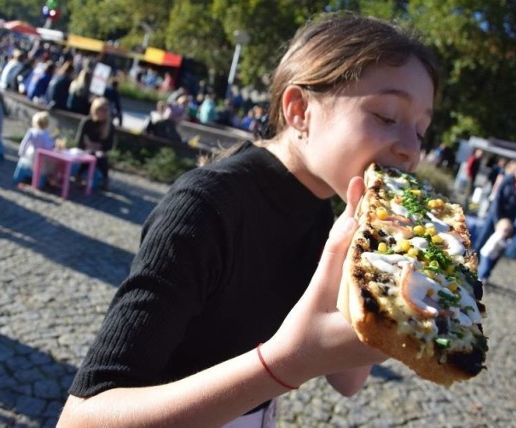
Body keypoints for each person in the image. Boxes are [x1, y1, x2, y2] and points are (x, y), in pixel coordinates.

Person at [57, 12, 438, 427]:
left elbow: (347, 380)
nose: (410, 151)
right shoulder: (205, 206)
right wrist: (283, 365)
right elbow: (82, 418)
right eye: (386, 116)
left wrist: (384, 285)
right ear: (299, 110)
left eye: (420, 131)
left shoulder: (326, 217)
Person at [473, 159, 516, 255]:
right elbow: (497, 199)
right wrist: (497, 221)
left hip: (509, 220)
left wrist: (513, 228)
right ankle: (472, 259)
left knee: (497, 248)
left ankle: (486, 267)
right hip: (495, 214)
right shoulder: (508, 180)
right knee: (482, 239)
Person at [74, 97, 115, 190]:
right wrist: (90, 146)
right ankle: (79, 175)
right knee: (90, 154)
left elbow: (109, 145)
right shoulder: (87, 122)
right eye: (101, 110)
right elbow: (79, 141)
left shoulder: (109, 126)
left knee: (101, 157)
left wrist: (97, 146)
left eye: (105, 110)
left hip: (100, 151)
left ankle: (105, 179)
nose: (103, 112)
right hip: (86, 149)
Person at [13, 111, 58, 186]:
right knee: (53, 164)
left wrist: (21, 153)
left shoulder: (31, 131)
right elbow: (48, 146)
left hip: (30, 156)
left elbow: (24, 143)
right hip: (41, 159)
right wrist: (53, 143)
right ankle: (45, 180)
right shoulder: (45, 134)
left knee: (23, 164)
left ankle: (23, 177)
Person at [478, 218, 513, 286]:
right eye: (505, 230)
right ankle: (478, 278)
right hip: (486, 254)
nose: (506, 233)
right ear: (498, 228)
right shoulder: (498, 236)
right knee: (485, 267)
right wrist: (509, 242)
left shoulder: (500, 236)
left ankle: (484, 278)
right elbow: (503, 245)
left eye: (508, 231)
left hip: (491, 255)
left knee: (488, 267)